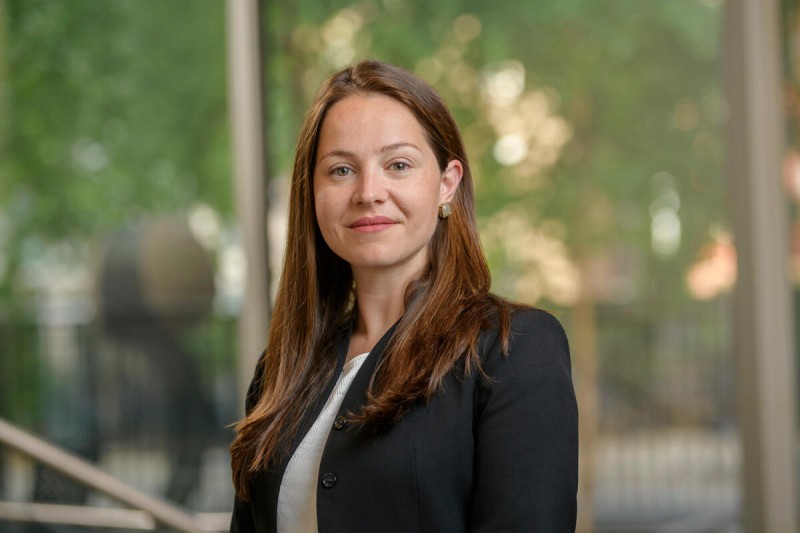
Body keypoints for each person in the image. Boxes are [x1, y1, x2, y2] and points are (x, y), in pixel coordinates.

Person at [229, 59, 578, 533]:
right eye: (341, 170)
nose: (368, 192)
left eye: (398, 165)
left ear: (447, 183)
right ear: (312, 191)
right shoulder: (284, 367)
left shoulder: (514, 350)